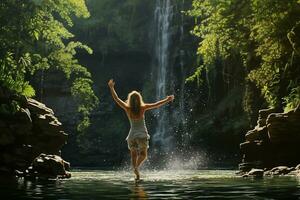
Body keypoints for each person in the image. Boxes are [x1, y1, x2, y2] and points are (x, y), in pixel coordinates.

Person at [108, 79, 174, 180]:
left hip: (131, 136)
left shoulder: (127, 108)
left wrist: (112, 88)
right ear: (139, 99)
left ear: (129, 99)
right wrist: (167, 99)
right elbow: (157, 104)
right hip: (142, 135)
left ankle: (136, 173)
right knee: (143, 155)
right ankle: (136, 168)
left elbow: (117, 99)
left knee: (133, 155)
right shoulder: (143, 107)